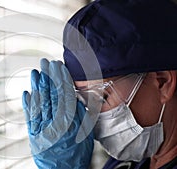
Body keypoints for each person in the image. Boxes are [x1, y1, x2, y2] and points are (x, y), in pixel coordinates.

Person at [22, 0, 177, 168]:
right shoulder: (124, 164)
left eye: (101, 98)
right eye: (83, 101)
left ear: (163, 82)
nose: (90, 121)